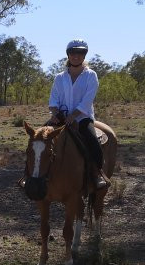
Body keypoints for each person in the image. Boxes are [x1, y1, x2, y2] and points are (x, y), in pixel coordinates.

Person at [46, 39, 109, 190]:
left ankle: (97, 174)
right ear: (68, 55)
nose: (76, 56)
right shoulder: (60, 77)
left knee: (93, 142)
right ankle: (30, 175)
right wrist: (55, 113)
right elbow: (53, 99)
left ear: (84, 55)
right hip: (60, 118)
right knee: (38, 139)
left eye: (80, 53)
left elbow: (87, 100)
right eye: (73, 53)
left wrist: (73, 116)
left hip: (82, 118)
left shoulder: (91, 75)